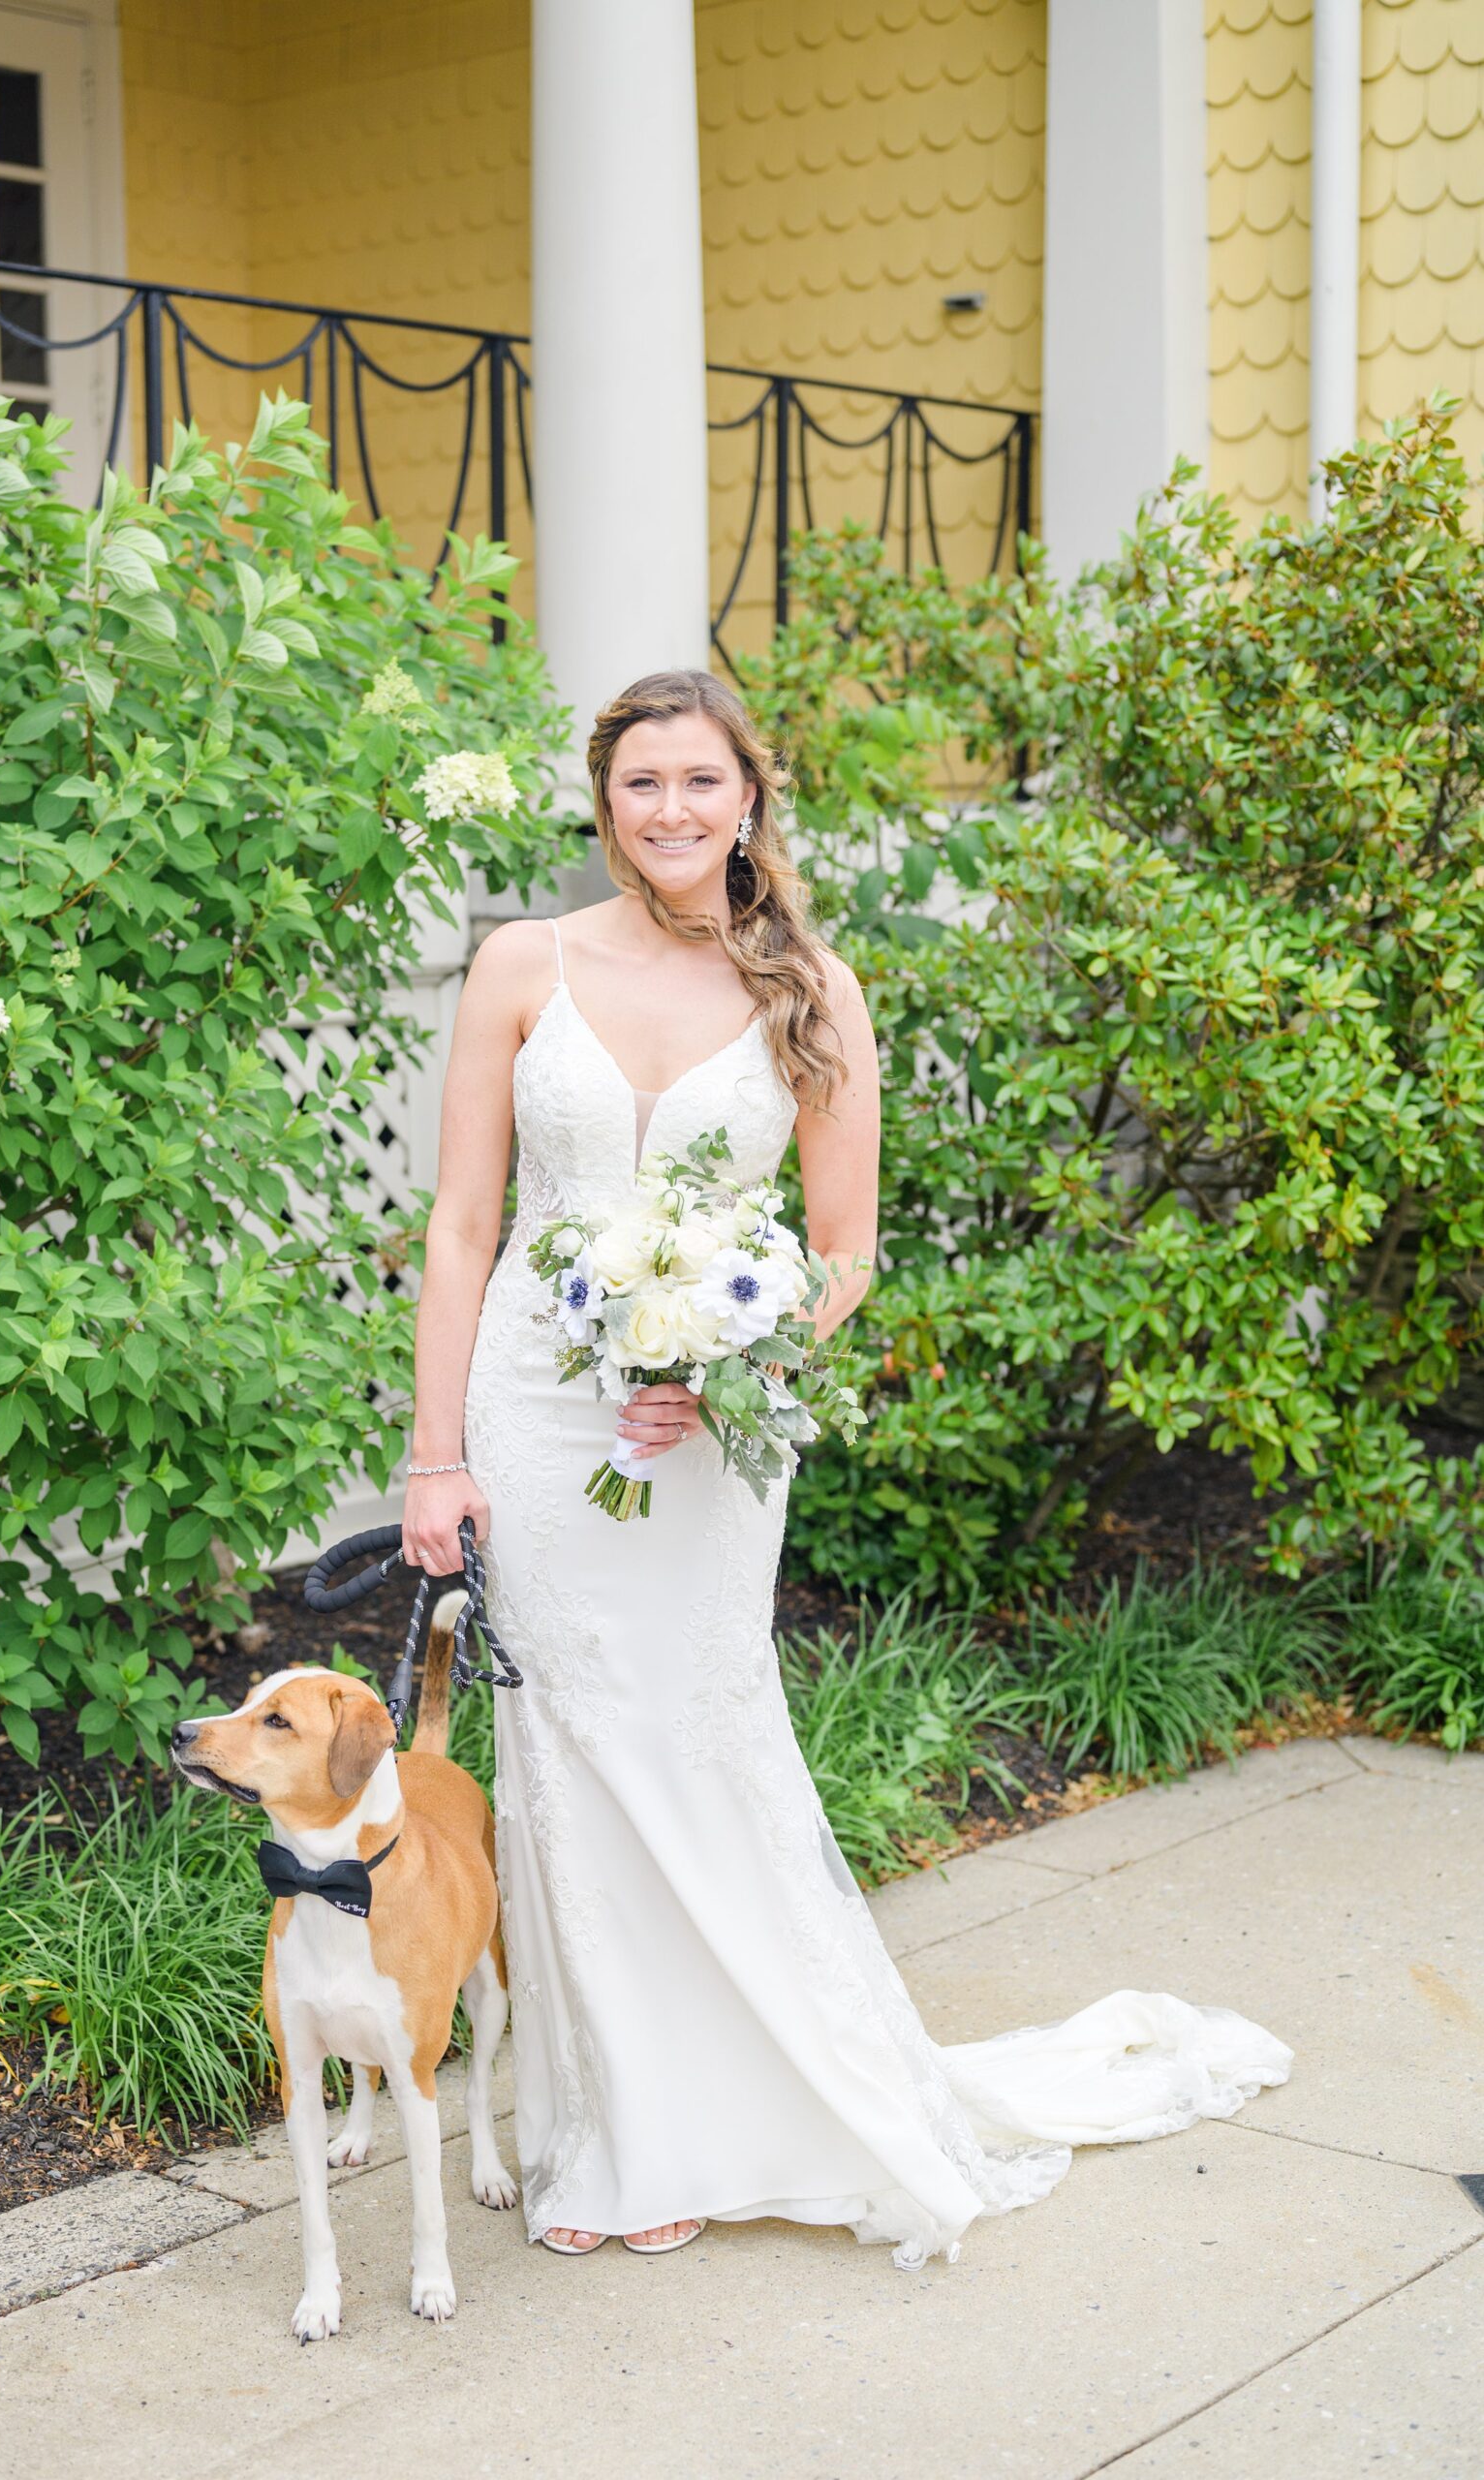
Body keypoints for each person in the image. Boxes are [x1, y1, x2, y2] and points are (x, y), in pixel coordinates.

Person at [401, 667, 1291, 2266]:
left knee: (692, 1732)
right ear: (604, 806)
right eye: (638, 784)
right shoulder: (520, 965)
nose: (669, 810)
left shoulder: (808, 984)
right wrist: (434, 1459)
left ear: (751, 797)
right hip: (537, 1419)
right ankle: (616, 2136)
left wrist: (714, 1364)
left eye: (699, 780)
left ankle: (726, 2110)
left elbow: (842, 1250)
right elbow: (465, 1226)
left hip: (709, 1441)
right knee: (571, 1762)